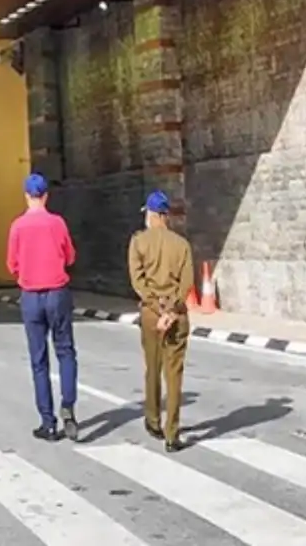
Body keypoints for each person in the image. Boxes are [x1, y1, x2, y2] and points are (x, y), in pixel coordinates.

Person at [6, 172, 79, 442]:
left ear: (26, 196)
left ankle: (48, 423)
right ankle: (68, 404)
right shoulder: (57, 223)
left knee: (39, 361)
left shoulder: (17, 227)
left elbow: (11, 264)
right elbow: (70, 256)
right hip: (58, 293)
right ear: (46, 196)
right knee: (66, 351)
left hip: (31, 297)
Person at [128, 190, 194, 453]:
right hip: (176, 314)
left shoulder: (138, 242)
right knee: (174, 373)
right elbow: (187, 282)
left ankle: (153, 419)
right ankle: (172, 432)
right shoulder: (182, 245)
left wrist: (157, 308)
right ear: (166, 216)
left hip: (151, 314)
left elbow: (138, 280)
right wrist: (172, 309)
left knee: (152, 368)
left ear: (152, 214)